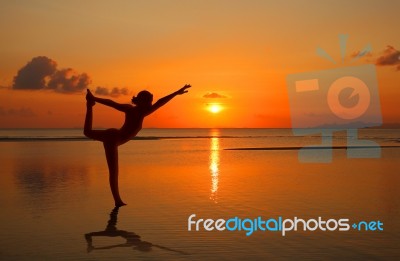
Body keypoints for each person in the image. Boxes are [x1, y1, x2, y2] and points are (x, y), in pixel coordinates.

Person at [84, 84, 191, 206]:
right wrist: (95, 98)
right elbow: (112, 103)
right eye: (149, 101)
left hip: (113, 136)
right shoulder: (135, 111)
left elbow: (160, 102)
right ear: (142, 101)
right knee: (113, 172)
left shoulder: (140, 111)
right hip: (113, 139)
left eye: (151, 101)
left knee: (87, 132)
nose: (151, 104)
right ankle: (117, 201)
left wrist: (177, 92)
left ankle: (89, 106)